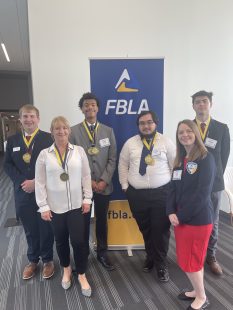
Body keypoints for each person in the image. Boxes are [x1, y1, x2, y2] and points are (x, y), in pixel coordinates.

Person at [35, 116, 92, 296]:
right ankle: (66, 269)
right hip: (55, 207)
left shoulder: (79, 151)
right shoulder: (45, 154)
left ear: (69, 130)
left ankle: (81, 273)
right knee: (60, 241)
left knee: (79, 241)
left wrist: (87, 198)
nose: (61, 131)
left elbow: (86, 176)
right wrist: (43, 206)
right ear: (52, 132)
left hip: (76, 205)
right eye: (57, 128)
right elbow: (40, 182)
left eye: (64, 128)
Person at [118, 111, 175, 282]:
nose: (146, 126)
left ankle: (162, 264)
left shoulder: (166, 141)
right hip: (137, 194)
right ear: (138, 126)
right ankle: (151, 257)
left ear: (155, 124)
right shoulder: (131, 143)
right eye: (142, 123)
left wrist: (172, 189)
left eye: (149, 122)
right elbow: (122, 165)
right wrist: (125, 187)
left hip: (161, 194)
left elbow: (175, 165)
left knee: (161, 231)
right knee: (146, 229)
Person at [167, 120, 216, 310]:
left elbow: (202, 195)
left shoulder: (206, 158)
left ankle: (202, 297)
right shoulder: (180, 160)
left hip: (197, 220)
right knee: (190, 258)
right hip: (181, 219)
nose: (184, 135)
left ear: (196, 133)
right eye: (180, 132)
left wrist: (181, 216)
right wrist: (170, 210)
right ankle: (197, 290)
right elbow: (172, 188)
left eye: (188, 131)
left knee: (191, 261)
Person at [4, 104, 54, 280]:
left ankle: (48, 260)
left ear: (38, 119)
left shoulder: (49, 139)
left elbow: (54, 165)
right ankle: (33, 260)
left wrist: (36, 182)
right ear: (20, 120)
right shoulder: (12, 141)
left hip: (44, 191)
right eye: (25, 116)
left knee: (45, 227)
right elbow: (7, 165)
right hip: (23, 191)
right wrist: (22, 182)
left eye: (32, 116)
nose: (29, 119)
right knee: (30, 228)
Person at [70, 92, 117, 271]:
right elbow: (72, 160)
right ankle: (82, 255)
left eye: (93, 105)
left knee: (102, 221)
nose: (90, 107)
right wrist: (88, 182)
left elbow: (113, 158)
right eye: (86, 105)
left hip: (104, 187)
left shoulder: (108, 131)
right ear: (82, 109)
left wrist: (104, 180)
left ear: (97, 108)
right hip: (83, 188)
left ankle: (102, 253)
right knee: (81, 222)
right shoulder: (73, 131)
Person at [192, 90, 230, 275]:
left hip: (214, 185)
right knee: (193, 219)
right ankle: (195, 253)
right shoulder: (187, 127)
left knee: (213, 221)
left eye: (204, 101)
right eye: (197, 102)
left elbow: (224, 156)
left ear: (210, 104)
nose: (201, 105)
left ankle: (211, 256)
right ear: (193, 106)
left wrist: (214, 177)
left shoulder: (222, 128)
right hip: (191, 184)